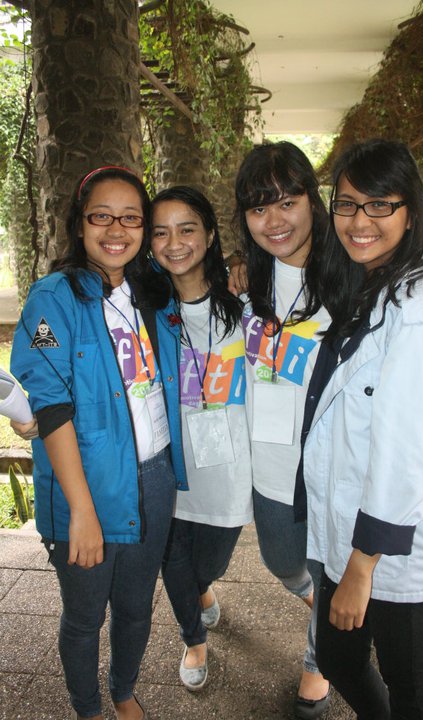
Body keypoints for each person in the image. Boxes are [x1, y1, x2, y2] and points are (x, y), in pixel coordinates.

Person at [302, 139, 423, 719]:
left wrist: (361, 568)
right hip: (356, 531)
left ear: (410, 211)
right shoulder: (368, 282)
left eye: (380, 204)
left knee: (411, 688)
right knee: (337, 657)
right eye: (348, 204)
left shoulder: (419, 312)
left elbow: (405, 455)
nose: (360, 221)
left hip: (393, 545)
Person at [10, 166, 187, 720]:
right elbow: (52, 406)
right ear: (80, 223)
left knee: (136, 607)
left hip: (155, 475)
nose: (116, 230)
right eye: (101, 216)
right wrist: (81, 512)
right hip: (86, 485)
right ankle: (87, 708)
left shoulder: (153, 290)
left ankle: (123, 690)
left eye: (131, 218)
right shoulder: (54, 298)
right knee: (85, 616)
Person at [233, 141, 331, 719]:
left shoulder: (350, 278)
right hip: (271, 465)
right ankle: (327, 607)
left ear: (312, 201)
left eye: (287, 202)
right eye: (258, 207)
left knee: (330, 569)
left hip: (331, 466)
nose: (274, 220)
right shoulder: (246, 286)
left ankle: (320, 660)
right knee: (283, 563)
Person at [149, 186, 252, 691]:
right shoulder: (145, 311)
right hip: (170, 465)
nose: (174, 243)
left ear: (210, 235)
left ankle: (203, 590)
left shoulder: (245, 300)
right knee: (171, 558)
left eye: (187, 229)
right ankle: (193, 638)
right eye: (161, 232)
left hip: (227, 469)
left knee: (207, 563)